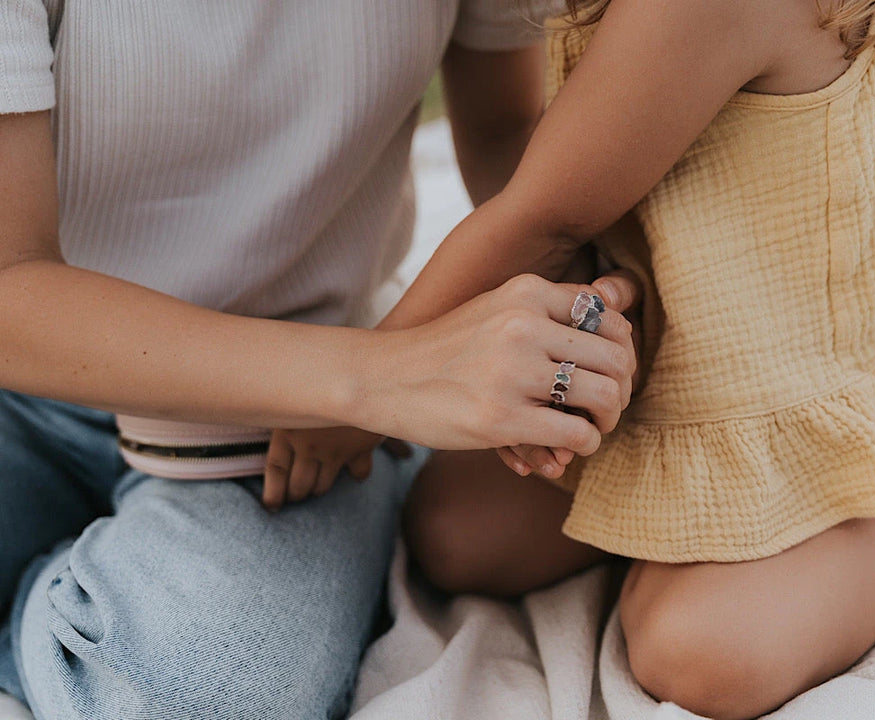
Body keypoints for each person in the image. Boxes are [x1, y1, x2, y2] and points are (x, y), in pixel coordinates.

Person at [359, 0, 875, 718]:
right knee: (454, 537)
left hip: (809, 379)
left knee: (692, 652)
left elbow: (544, 216)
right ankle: (674, 503)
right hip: (686, 344)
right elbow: (546, 175)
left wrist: (361, 387)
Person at [0, 2, 640, 719]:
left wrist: (596, 294)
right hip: (37, 392)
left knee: (181, 695)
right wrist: (381, 378)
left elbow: (503, 131)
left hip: (290, 431)